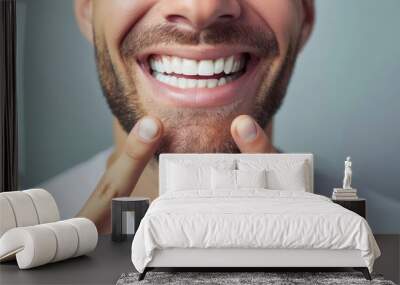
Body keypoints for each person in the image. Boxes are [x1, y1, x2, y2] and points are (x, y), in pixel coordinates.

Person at [41, 0, 315, 233]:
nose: (200, 9)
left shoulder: (356, 241)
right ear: (88, 9)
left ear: (304, 16)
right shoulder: (13, 244)